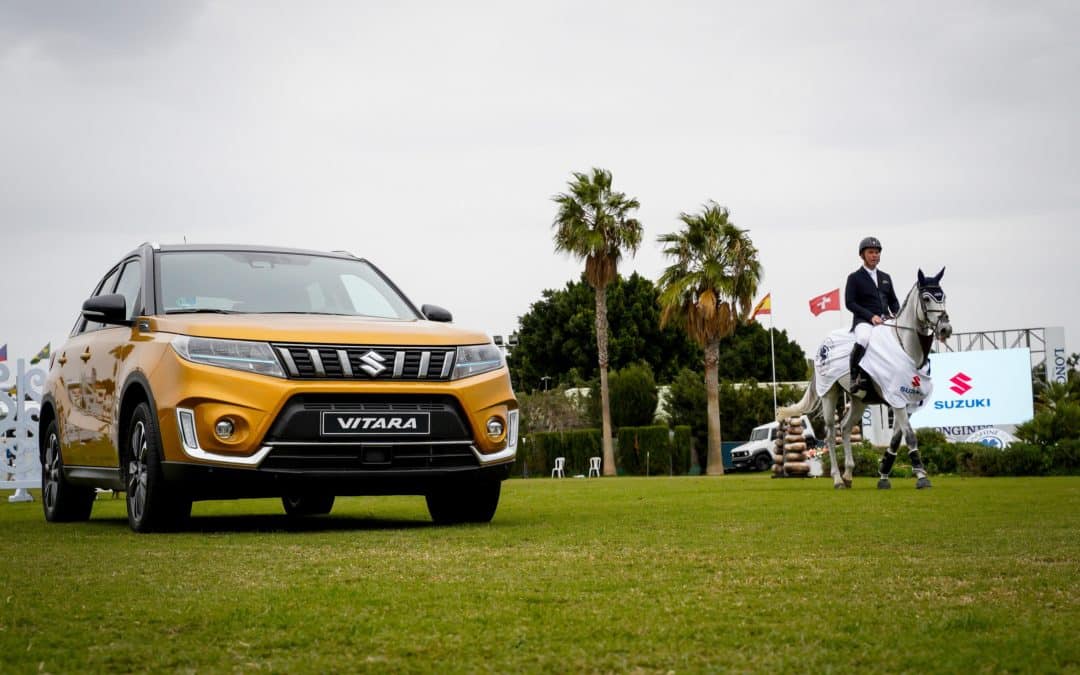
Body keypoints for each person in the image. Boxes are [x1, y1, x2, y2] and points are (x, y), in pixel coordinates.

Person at [845, 236, 900, 398]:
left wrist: (898, 315)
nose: (875, 255)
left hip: (885, 321)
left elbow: (893, 301)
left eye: (877, 252)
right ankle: (855, 377)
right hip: (864, 321)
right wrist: (870, 317)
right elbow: (850, 303)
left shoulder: (886, 277)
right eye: (871, 252)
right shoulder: (854, 278)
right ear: (862, 255)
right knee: (863, 338)